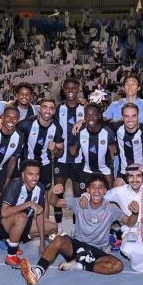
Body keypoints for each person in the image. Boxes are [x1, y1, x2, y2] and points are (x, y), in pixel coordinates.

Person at [20, 175, 131, 285]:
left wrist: (135, 212)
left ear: (105, 191)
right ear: (87, 190)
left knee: (117, 266)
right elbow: (55, 203)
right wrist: (54, 192)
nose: (96, 191)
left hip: (98, 250)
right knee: (58, 240)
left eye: (100, 187)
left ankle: (79, 264)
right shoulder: (79, 202)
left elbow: (130, 222)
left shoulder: (111, 208)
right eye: (93, 187)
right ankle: (36, 273)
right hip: (77, 248)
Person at [84, 164, 143, 275]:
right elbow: (100, 195)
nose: (135, 180)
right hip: (131, 228)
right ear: (127, 178)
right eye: (131, 176)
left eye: (138, 176)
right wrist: (85, 196)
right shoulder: (119, 191)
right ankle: (140, 264)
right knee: (127, 249)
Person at [0, 159, 58, 268]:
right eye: (30, 174)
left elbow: (39, 214)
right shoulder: (15, 184)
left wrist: (42, 243)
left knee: (52, 227)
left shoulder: (40, 188)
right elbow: (4, 212)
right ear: (23, 174)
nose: (34, 178)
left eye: (37, 174)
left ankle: (11, 240)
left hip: (21, 221)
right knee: (22, 217)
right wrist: (28, 204)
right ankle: (11, 256)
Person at [52, 78, 85, 229]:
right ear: (63, 90)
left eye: (73, 88)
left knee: (78, 195)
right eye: (67, 88)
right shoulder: (58, 109)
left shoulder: (85, 109)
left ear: (78, 89)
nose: (70, 90)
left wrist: (77, 144)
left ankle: (75, 227)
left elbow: (97, 119)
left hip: (79, 160)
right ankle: (58, 227)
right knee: (59, 192)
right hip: (61, 158)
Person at [16, 97, 64, 189]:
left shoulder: (57, 128)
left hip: (45, 165)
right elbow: (10, 131)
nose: (47, 111)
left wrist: (55, 149)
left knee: (44, 193)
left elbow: (60, 152)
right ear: (40, 109)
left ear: (54, 111)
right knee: (24, 192)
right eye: (45, 107)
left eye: (51, 108)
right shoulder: (27, 124)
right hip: (27, 164)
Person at [70, 103, 117, 189]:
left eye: (94, 115)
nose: (91, 117)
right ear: (84, 117)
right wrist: (74, 151)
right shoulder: (81, 131)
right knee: (84, 199)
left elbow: (114, 151)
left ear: (99, 116)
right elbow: (74, 152)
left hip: (105, 171)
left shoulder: (108, 132)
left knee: (109, 198)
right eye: (88, 115)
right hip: (87, 170)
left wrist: (114, 150)